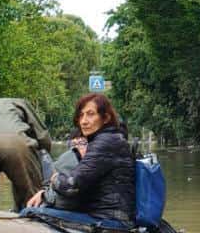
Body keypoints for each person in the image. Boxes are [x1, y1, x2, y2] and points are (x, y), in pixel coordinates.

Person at [26, 93, 135, 225]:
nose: (83, 121)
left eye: (90, 114)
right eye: (81, 115)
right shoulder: (108, 139)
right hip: (102, 214)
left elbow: (72, 185)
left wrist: (54, 179)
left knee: (29, 213)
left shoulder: (105, 143)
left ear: (105, 118)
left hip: (110, 218)